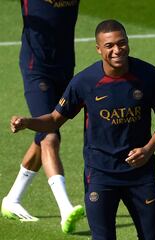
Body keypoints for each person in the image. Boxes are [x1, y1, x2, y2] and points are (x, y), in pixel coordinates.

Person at [10, 19, 155, 240]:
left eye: (122, 43)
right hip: (101, 175)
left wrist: (148, 149)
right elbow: (54, 120)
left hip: (140, 175)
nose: (117, 50)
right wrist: (28, 122)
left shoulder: (149, 75)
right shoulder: (85, 82)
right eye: (109, 46)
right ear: (98, 49)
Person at [1, 0, 84, 233]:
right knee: (50, 137)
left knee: (44, 134)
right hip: (36, 68)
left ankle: (12, 199)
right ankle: (65, 208)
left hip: (65, 68)